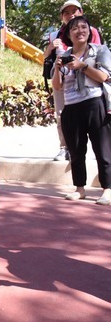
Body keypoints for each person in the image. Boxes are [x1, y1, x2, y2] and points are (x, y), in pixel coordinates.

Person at [52, 16, 111, 206]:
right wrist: (57, 68)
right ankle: (80, 189)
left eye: (83, 27)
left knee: (103, 149)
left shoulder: (99, 50)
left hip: (95, 103)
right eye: (74, 29)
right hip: (71, 107)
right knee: (76, 151)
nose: (80, 31)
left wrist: (83, 66)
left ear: (89, 31)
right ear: (69, 34)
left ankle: (107, 190)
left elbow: (103, 76)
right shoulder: (64, 54)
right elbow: (58, 87)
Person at [43, 0, 102, 161]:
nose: (71, 15)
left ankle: (101, 150)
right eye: (66, 13)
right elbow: (45, 57)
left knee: (94, 114)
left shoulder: (90, 31)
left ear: (81, 13)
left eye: (74, 11)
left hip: (87, 77)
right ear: (62, 17)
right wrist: (50, 48)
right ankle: (64, 147)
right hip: (63, 78)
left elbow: (97, 52)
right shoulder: (55, 35)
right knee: (61, 113)